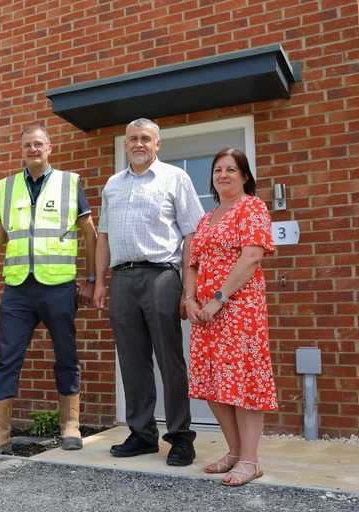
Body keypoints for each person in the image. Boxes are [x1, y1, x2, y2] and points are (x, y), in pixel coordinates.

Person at [0, 125, 98, 457]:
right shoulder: (7, 187)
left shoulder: (69, 183)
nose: (32, 149)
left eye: (38, 144)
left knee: (66, 355)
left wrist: (90, 278)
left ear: (49, 148)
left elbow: (90, 233)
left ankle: (71, 426)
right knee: (6, 358)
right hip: (18, 289)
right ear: (20, 151)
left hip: (58, 287)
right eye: (26, 146)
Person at [93, 118, 204, 466]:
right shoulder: (113, 184)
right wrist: (99, 281)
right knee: (132, 359)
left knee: (169, 359)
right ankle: (142, 434)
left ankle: (181, 437)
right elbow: (104, 238)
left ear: (157, 144)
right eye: (132, 139)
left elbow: (192, 235)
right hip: (122, 278)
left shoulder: (176, 178)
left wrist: (189, 286)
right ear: (125, 145)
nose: (138, 144)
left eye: (145, 138)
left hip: (162, 276)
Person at [184, 148, 277, 486]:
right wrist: (191, 299)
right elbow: (192, 263)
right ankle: (236, 453)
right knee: (212, 383)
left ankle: (251, 461)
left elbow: (252, 256)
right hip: (206, 314)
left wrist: (218, 299)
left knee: (244, 381)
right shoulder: (205, 218)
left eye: (231, 170)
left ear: (245, 176)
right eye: (217, 170)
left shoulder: (252, 207)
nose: (223, 175)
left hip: (239, 310)